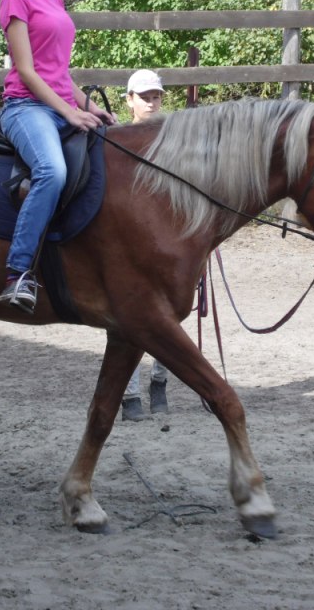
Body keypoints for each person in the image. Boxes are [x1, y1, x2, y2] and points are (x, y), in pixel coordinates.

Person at [0, 0, 115, 312]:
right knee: (52, 171)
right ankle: (18, 273)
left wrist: (89, 106)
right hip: (26, 107)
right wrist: (70, 112)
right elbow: (27, 71)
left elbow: (58, 72)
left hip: (59, 104)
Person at [120, 69, 170, 421]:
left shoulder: (173, 139)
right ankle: (130, 395)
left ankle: (160, 381)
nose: (151, 103)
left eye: (156, 97)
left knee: (171, 314)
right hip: (131, 240)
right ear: (130, 101)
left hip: (168, 241)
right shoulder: (118, 139)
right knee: (128, 316)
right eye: (144, 97)